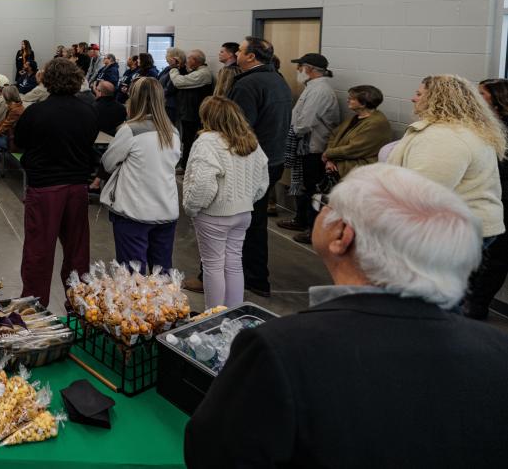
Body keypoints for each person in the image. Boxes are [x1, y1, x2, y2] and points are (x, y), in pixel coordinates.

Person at [185, 163, 508, 468]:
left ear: (343, 236)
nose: (319, 209)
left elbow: (215, 452)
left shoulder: (280, 350)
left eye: (326, 203)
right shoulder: (497, 352)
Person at [386, 75, 506, 321]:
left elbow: (423, 191)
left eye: (419, 94)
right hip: (459, 226)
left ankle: (441, 343)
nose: (413, 98)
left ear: (437, 98)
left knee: (436, 298)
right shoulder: (454, 131)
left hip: (452, 228)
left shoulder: (446, 137)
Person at [13, 59, 99, 307]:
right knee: (77, 251)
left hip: (44, 189)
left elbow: (19, 141)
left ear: (46, 80)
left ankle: (34, 307)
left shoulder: (37, 112)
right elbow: (89, 141)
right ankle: (79, 307)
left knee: (39, 252)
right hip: (77, 187)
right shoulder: (88, 111)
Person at [182, 96, 269, 308]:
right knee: (233, 263)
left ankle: (212, 319)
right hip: (243, 213)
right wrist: (246, 200)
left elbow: (202, 183)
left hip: (214, 214)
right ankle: (232, 315)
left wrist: (192, 207)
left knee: (212, 266)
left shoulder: (207, 142)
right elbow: (262, 180)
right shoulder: (251, 141)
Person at [228, 36, 292, 298]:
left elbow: (237, 129)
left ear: (251, 57)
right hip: (272, 159)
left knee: (234, 220)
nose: (237, 54)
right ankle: (255, 277)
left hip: (250, 163)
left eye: (240, 51)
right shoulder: (278, 80)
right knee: (256, 221)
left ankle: (240, 275)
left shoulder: (249, 84)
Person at [99, 78, 182, 270]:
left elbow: (108, 163)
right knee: (162, 275)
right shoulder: (174, 132)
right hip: (166, 210)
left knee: (132, 276)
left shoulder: (130, 130)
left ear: (134, 99)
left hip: (134, 212)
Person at [280, 53, 343, 242]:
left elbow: (304, 123)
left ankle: (313, 228)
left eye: (300, 67)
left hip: (314, 148)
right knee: (304, 187)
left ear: (309, 69)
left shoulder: (320, 91)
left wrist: (292, 131)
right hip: (307, 146)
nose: (298, 71)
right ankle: (301, 219)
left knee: (313, 189)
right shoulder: (313, 87)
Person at [469, 79, 508, 319]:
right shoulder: (484, 125)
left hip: (503, 198)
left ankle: (477, 305)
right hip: (488, 195)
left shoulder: (502, 128)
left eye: (481, 93)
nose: (476, 96)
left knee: (497, 257)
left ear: (496, 97)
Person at [323, 85, 393, 179]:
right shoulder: (357, 117)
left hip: (360, 170)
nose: (347, 100)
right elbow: (334, 134)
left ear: (363, 104)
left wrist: (328, 154)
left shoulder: (376, 123)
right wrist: (329, 158)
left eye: (351, 99)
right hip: (339, 161)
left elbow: (353, 149)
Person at [171, 49, 214, 169]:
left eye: (189, 58)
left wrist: (174, 68)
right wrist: (181, 67)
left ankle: (187, 168)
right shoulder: (197, 72)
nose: (187, 60)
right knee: (187, 140)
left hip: (194, 115)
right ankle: (185, 166)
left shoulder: (203, 73)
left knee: (190, 141)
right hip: (189, 113)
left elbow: (179, 81)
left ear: (195, 61)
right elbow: (186, 77)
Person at [0, 85, 26, 181]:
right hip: (12, 138)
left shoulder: (15, 111)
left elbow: (3, 127)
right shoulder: (16, 107)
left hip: (14, 143)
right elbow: (2, 124)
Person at [159, 47, 186, 126]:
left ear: (175, 58)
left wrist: (158, 93)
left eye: (168, 56)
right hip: (162, 100)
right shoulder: (168, 68)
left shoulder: (180, 70)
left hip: (170, 104)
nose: (166, 57)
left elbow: (171, 88)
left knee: (168, 126)